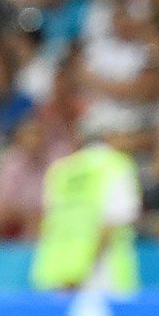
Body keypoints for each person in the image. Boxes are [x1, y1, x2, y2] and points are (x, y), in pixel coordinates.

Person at [30, 121, 143, 294]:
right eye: (126, 135)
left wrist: (67, 276)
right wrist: (81, 274)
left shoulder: (60, 171)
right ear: (110, 136)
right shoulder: (117, 166)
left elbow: (48, 224)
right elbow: (111, 224)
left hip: (56, 277)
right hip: (103, 279)